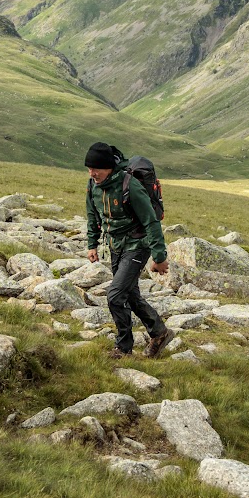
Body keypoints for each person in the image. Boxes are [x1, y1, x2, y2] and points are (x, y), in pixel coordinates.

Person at [84, 142, 172, 360]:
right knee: (130, 294)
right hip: (115, 245)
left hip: (137, 245)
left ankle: (123, 348)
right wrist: (92, 244)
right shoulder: (93, 185)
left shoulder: (129, 185)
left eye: (97, 169)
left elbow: (151, 221)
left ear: (109, 167)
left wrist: (159, 257)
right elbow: (93, 215)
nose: (92, 173)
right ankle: (160, 333)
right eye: (89, 169)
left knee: (114, 295)